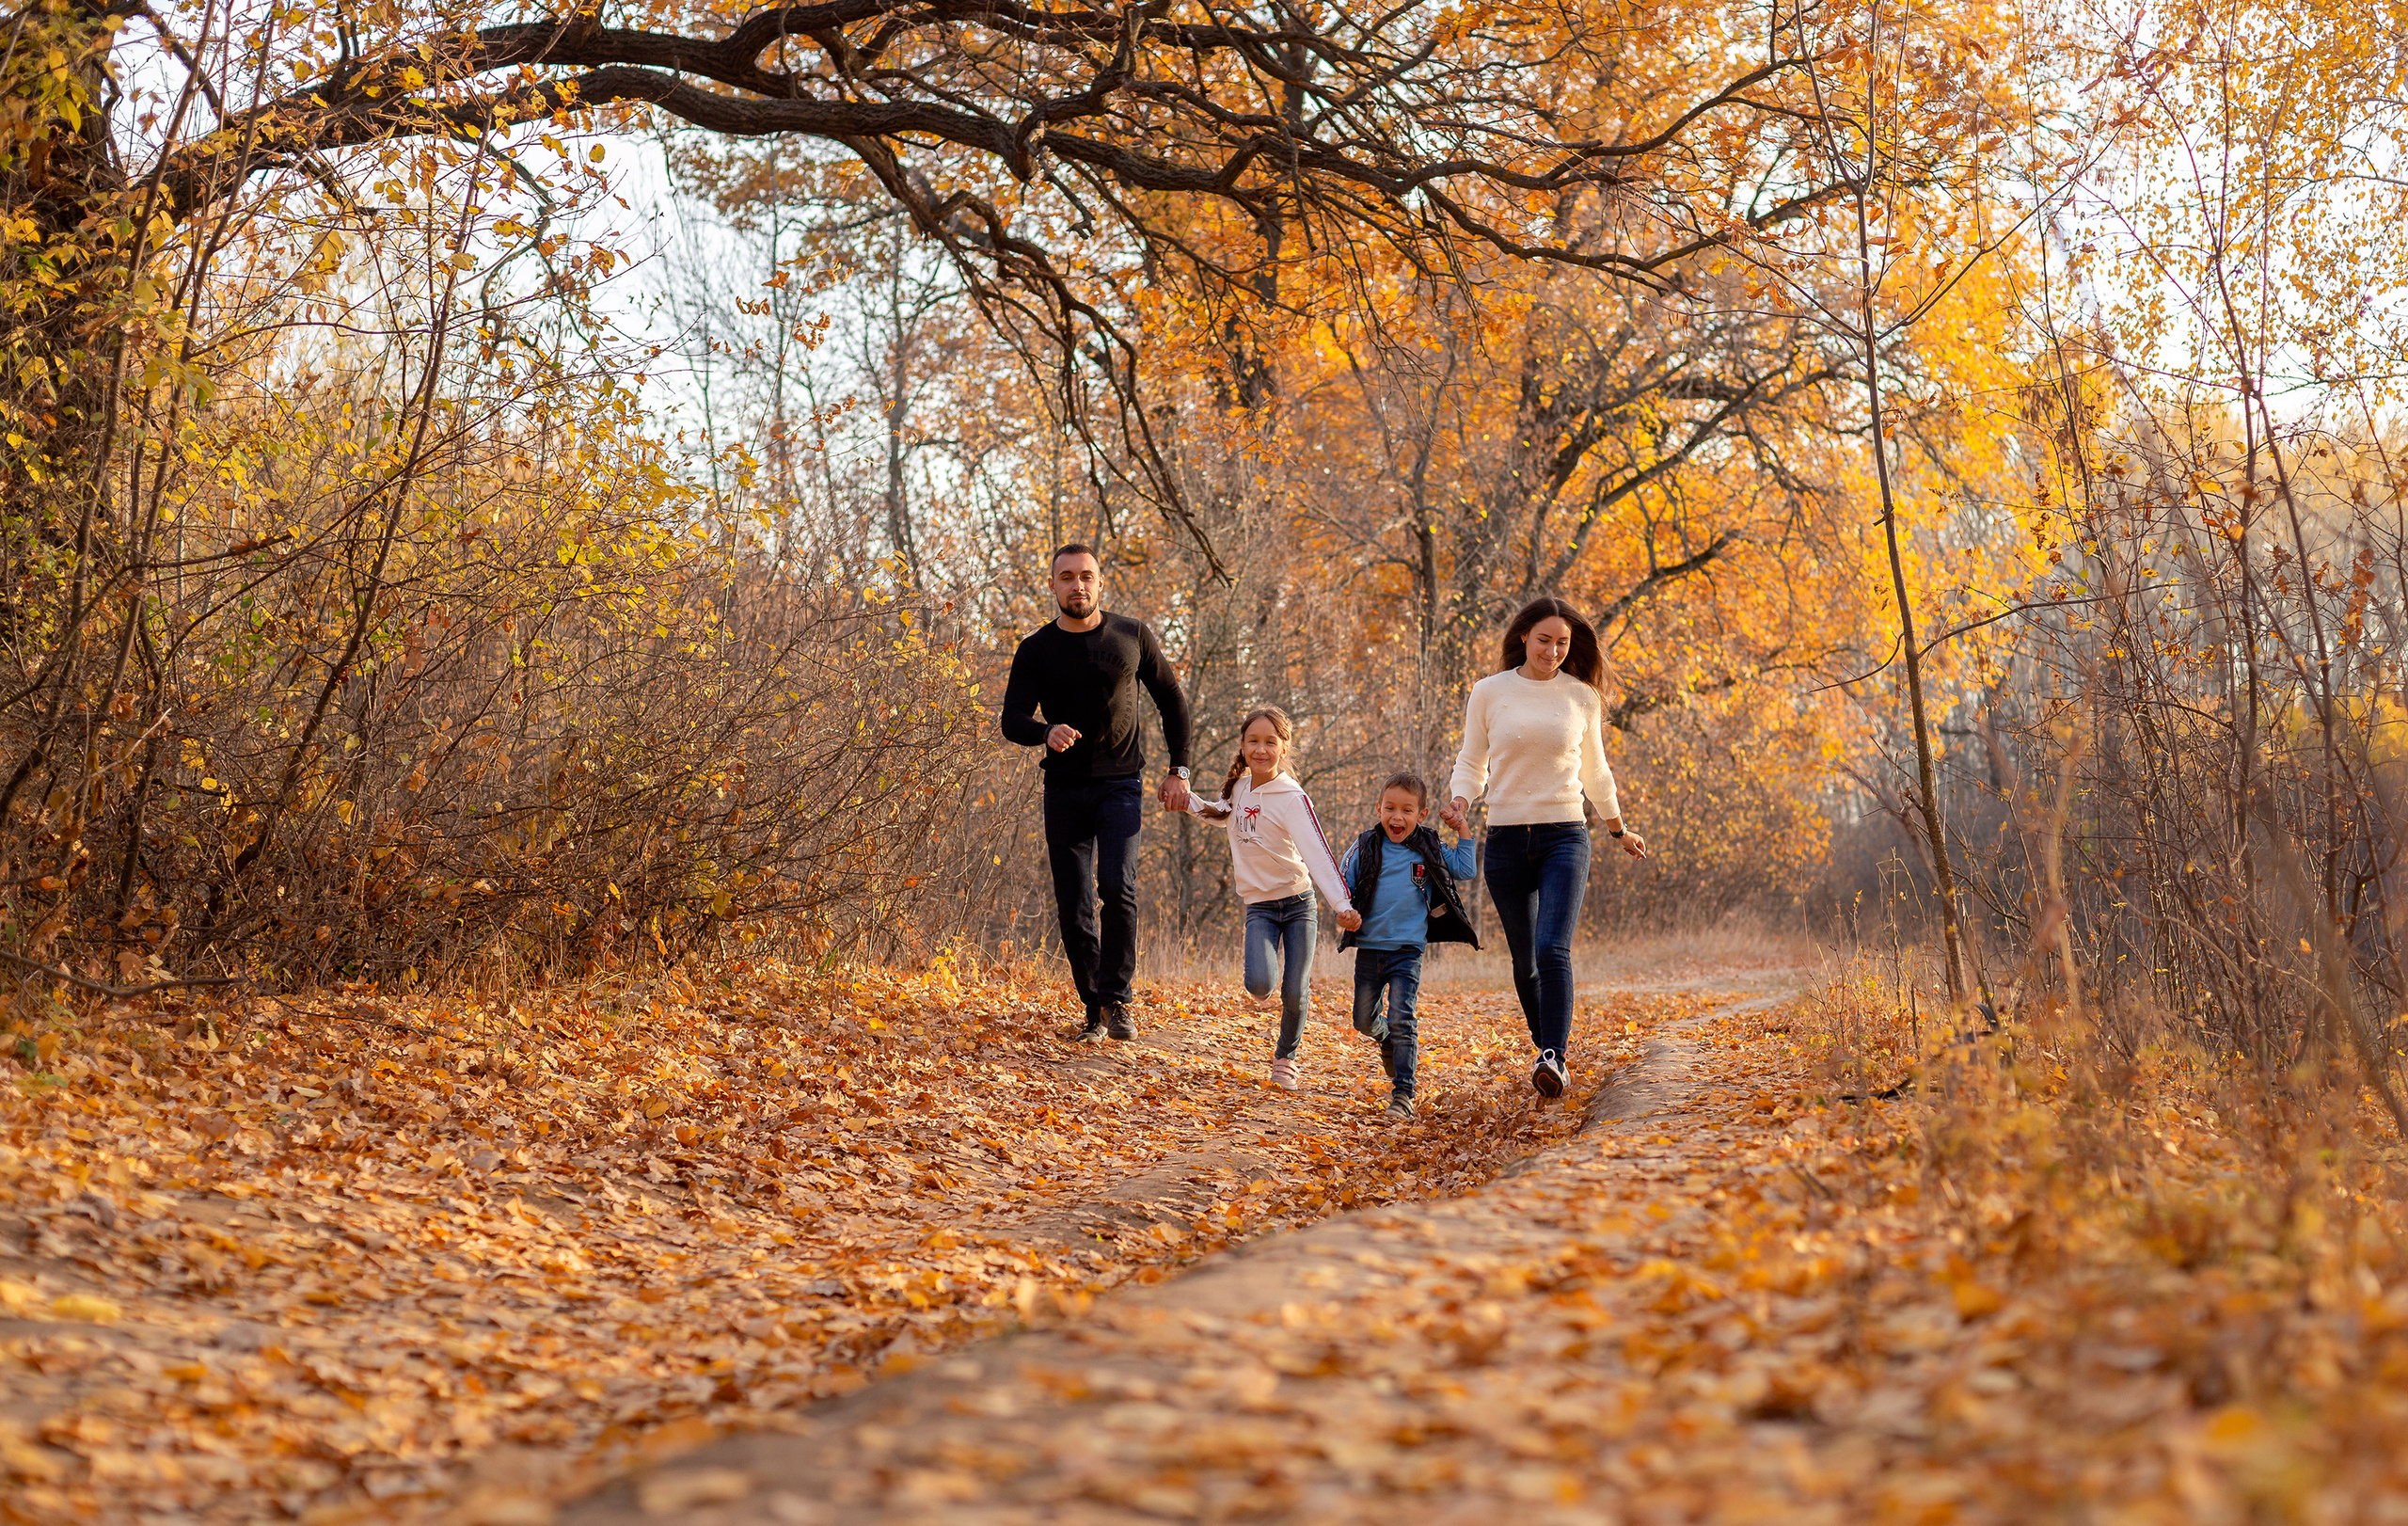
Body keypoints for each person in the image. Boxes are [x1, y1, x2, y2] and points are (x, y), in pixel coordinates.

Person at [1442, 596, 1648, 1099]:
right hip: (1507, 839)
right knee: (1524, 960)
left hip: (1564, 836)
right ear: (1523, 638)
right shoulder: (1489, 692)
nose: (1553, 651)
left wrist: (1618, 830)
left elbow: (1596, 772)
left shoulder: (1581, 697)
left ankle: (1554, 1053)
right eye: (1544, 640)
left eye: (1562, 643)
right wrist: (1460, 800)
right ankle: (1546, 1049)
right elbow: (1473, 760)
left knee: (1552, 948)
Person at [1000, 544, 1194, 1041]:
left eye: (1086, 576)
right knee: (1075, 902)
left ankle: (1119, 1000)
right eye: (1066, 577)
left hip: (1121, 784)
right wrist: (1044, 731)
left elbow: (1172, 699)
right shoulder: (1036, 649)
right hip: (1063, 788)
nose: (1077, 585)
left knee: (1118, 887)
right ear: (1052, 586)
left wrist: (1180, 770)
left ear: (1100, 583)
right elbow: (1012, 719)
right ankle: (1094, 1007)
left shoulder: (1132, 635)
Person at [1180, 707, 1362, 1089]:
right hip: (1260, 906)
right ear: (1243, 747)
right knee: (1261, 985)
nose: (1260, 749)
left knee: (1295, 989)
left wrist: (1342, 905)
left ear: (1283, 748)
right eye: (1253, 741)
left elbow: (1318, 854)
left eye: (1269, 742)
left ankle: (1286, 1058)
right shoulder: (1240, 786)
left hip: (1298, 905)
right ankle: (1268, 988)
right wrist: (1187, 800)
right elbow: (1221, 813)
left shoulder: (1292, 798)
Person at [1338, 771, 1479, 1120]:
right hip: (1370, 948)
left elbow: (1466, 868)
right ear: (1378, 809)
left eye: (1406, 810)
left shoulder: (1429, 847)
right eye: (1390, 809)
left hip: (1408, 950)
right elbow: (1341, 882)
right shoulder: (1365, 845)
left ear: (1422, 815)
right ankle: (1385, 1039)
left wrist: (1462, 829)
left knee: (1403, 1016)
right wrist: (1345, 911)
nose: (1397, 817)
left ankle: (1403, 1093)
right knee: (1362, 1020)